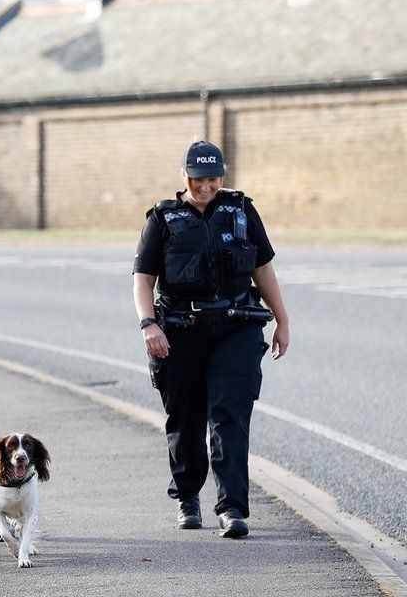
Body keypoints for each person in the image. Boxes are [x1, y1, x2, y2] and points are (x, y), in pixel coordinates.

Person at [131, 139, 289, 538]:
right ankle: (188, 497)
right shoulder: (162, 219)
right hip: (180, 334)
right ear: (184, 176)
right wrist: (149, 324)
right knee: (185, 419)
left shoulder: (241, 211)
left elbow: (264, 269)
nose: (206, 186)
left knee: (229, 417)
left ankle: (232, 508)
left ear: (223, 175)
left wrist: (282, 321)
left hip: (236, 327)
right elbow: (143, 279)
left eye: (213, 178)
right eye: (198, 179)